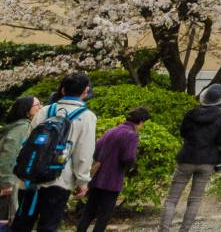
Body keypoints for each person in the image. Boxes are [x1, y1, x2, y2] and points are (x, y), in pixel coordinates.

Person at [12, 71, 95, 232]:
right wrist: (82, 182)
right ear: (85, 91)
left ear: (62, 90)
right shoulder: (86, 117)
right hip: (59, 179)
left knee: (22, 223)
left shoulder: (45, 111)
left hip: (30, 176)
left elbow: (28, 142)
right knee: (49, 225)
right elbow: (83, 154)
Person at [159, 84, 221, 232]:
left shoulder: (191, 113)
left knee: (172, 199)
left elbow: (183, 133)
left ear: (204, 96)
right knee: (195, 200)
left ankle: (163, 230)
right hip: (207, 161)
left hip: (187, 157)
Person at [76, 107, 148, 232]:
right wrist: (131, 167)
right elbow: (128, 157)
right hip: (112, 180)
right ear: (140, 121)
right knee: (104, 215)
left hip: (97, 178)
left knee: (89, 212)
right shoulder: (131, 135)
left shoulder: (112, 130)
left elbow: (96, 148)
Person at [0, 96, 42, 222]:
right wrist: (7, 182)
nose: (40, 107)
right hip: (9, 179)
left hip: (9, 177)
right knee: (7, 217)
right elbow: (9, 154)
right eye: (37, 105)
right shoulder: (22, 128)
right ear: (27, 110)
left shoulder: (15, 126)